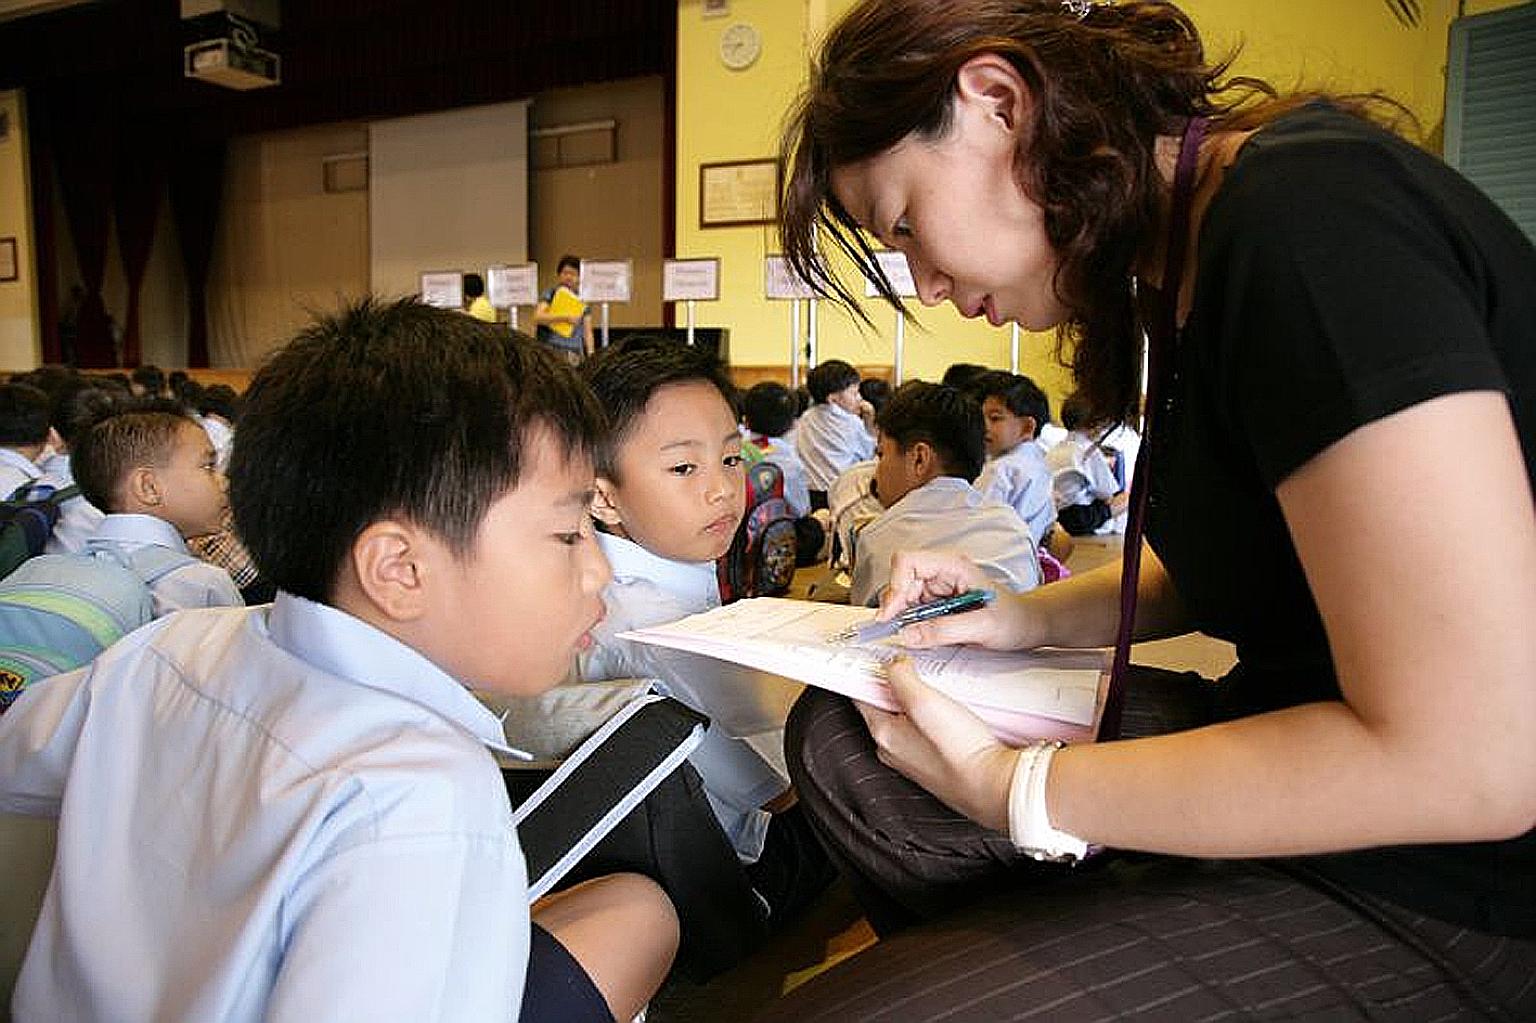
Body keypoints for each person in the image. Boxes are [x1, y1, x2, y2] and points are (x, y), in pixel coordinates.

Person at [764, 0, 1536, 1017]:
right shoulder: (1184, 260)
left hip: (1462, 866)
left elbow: (1477, 759)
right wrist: (1008, 618)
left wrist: (1019, 789)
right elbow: (1268, 557)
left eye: (907, 224)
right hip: (1314, 733)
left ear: (999, 103)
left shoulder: (1305, 220)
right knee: (851, 732)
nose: (930, 282)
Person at [0, 299, 677, 1021]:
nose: (599, 572)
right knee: (645, 913)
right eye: (569, 534)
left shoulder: (165, 650)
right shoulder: (423, 796)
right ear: (399, 569)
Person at [579, 337, 833, 925]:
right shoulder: (658, 626)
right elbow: (775, 791)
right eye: (683, 467)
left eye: (730, 458)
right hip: (730, 882)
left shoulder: (603, 590)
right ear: (602, 495)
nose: (722, 488)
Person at [849, 381, 1039, 606]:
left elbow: (863, 616)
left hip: (920, 638)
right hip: (1012, 636)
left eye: (881, 455)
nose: (876, 474)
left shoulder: (877, 535)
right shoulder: (1012, 524)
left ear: (920, 458)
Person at [66, 400, 243, 615]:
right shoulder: (201, 585)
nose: (224, 482)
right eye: (208, 467)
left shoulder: (76, 567)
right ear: (148, 487)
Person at [972, 370, 1058, 546]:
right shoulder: (1041, 464)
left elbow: (976, 522)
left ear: (1027, 427)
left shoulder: (1000, 470)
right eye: (981, 418)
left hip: (998, 554)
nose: (984, 426)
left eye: (995, 418)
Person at [794, 359, 876, 509]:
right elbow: (870, 454)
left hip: (810, 494)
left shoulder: (806, 419)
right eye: (855, 393)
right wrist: (869, 421)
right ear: (832, 399)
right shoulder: (851, 423)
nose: (860, 398)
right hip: (842, 494)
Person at [1046, 392, 1130, 535]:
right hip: (1080, 518)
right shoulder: (1088, 452)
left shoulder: (1055, 449)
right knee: (1126, 498)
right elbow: (1108, 492)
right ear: (1097, 424)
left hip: (1055, 515)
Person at [534, 254, 593, 362]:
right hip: (552, 349)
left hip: (575, 352)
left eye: (573, 274)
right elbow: (538, 317)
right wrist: (565, 318)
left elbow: (587, 332)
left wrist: (591, 356)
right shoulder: (551, 293)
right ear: (559, 275)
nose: (569, 277)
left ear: (580, 277)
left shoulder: (583, 299)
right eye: (565, 273)